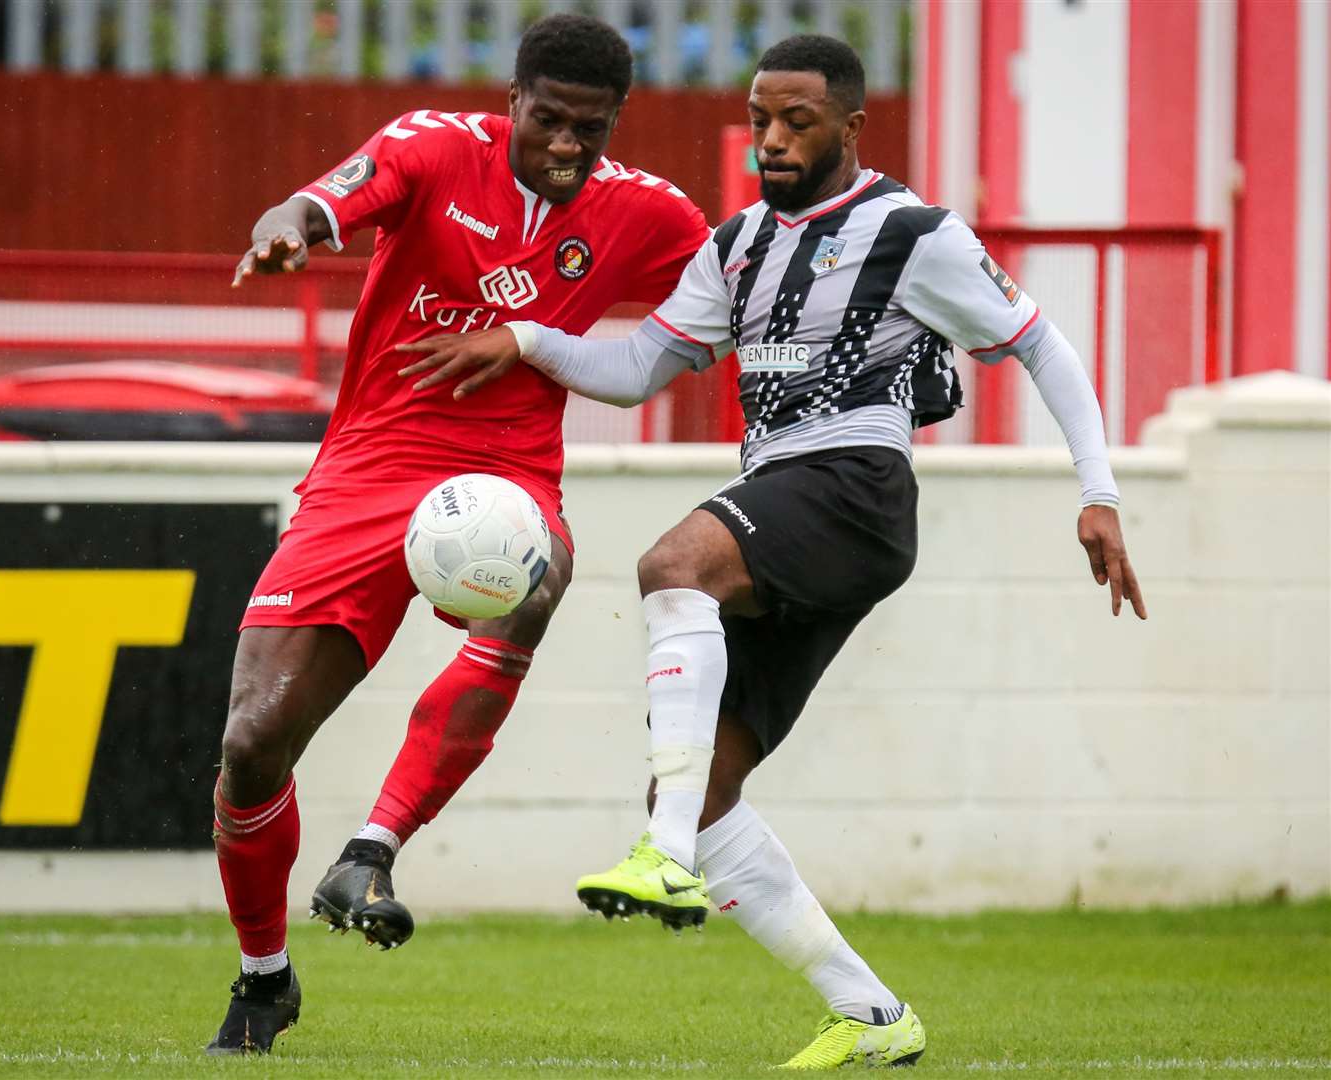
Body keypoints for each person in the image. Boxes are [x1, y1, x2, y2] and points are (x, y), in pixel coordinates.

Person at [396, 33, 1147, 1070]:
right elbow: (636, 367)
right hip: (787, 497)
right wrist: (523, 340)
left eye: (797, 121)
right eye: (760, 118)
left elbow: (1038, 344)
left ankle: (661, 858)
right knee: (701, 793)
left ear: (849, 124)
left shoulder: (912, 230)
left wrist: (1096, 492)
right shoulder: (738, 240)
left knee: (672, 566)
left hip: (854, 488)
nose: (773, 139)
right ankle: (873, 1016)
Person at [207, 14, 709, 1056]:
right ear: (512, 101)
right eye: (548, 121)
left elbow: (726, 303)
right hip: (366, 467)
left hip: (503, 477)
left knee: (543, 572)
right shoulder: (434, 147)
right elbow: (320, 199)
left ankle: (372, 849)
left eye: (591, 129)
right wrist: (290, 229)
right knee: (252, 746)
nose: (567, 146)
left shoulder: (647, 213)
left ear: (617, 122)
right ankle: (264, 978)